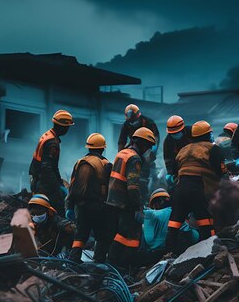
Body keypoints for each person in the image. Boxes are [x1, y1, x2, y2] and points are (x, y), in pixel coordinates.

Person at [166, 121, 228, 254]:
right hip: (198, 189)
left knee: (175, 221)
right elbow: (221, 171)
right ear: (207, 135)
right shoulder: (212, 148)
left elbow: (175, 171)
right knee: (205, 221)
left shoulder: (184, 149)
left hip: (180, 189)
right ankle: (210, 250)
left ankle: (170, 252)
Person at [106, 127, 157, 268]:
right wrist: (137, 207)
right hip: (125, 202)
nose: (148, 149)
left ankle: (113, 262)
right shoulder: (134, 158)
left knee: (120, 233)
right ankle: (126, 266)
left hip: (113, 201)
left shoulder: (123, 153)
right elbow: (133, 186)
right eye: (148, 145)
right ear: (141, 143)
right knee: (132, 235)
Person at [66, 133, 113, 263]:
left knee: (80, 235)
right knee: (102, 235)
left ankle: (73, 259)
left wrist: (70, 207)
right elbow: (110, 188)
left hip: (80, 206)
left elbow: (73, 187)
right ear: (103, 148)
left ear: (88, 148)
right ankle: (98, 262)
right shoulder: (106, 164)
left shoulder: (79, 162)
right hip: (99, 207)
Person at [29, 110, 74, 215]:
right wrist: (56, 188)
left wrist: (60, 182)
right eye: (67, 127)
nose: (68, 129)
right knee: (58, 210)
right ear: (62, 127)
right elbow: (47, 168)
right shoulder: (52, 143)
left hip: (38, 179)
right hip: (44, 183)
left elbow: (54, 167)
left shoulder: (48, 135)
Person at [140, 189, 199, 262]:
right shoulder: (178, 210)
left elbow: (149, 240)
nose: (155, 208)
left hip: (165, 250)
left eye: (155, 206)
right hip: (188, 243)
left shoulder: (152, 214)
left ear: (159, 202)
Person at [118, 104, 160, 201]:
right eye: (131, 121)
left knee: (147, 167)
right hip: (134, 146)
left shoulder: (149, 122)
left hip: (147, 147)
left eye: (135, 121)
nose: (133, 123)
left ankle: (150, 186)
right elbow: (121, 141)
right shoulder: (126, 125)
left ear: (139, 116)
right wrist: (121, 155)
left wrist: (152, 151)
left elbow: (156, 138)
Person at [162, 115, 192, 189]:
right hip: (179, 167)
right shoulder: (167, 141)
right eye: (173, 133)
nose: (175, 135)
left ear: (182, 129)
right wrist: (171, 174)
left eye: (177, 132)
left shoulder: (191, 131)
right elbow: (168, 160)